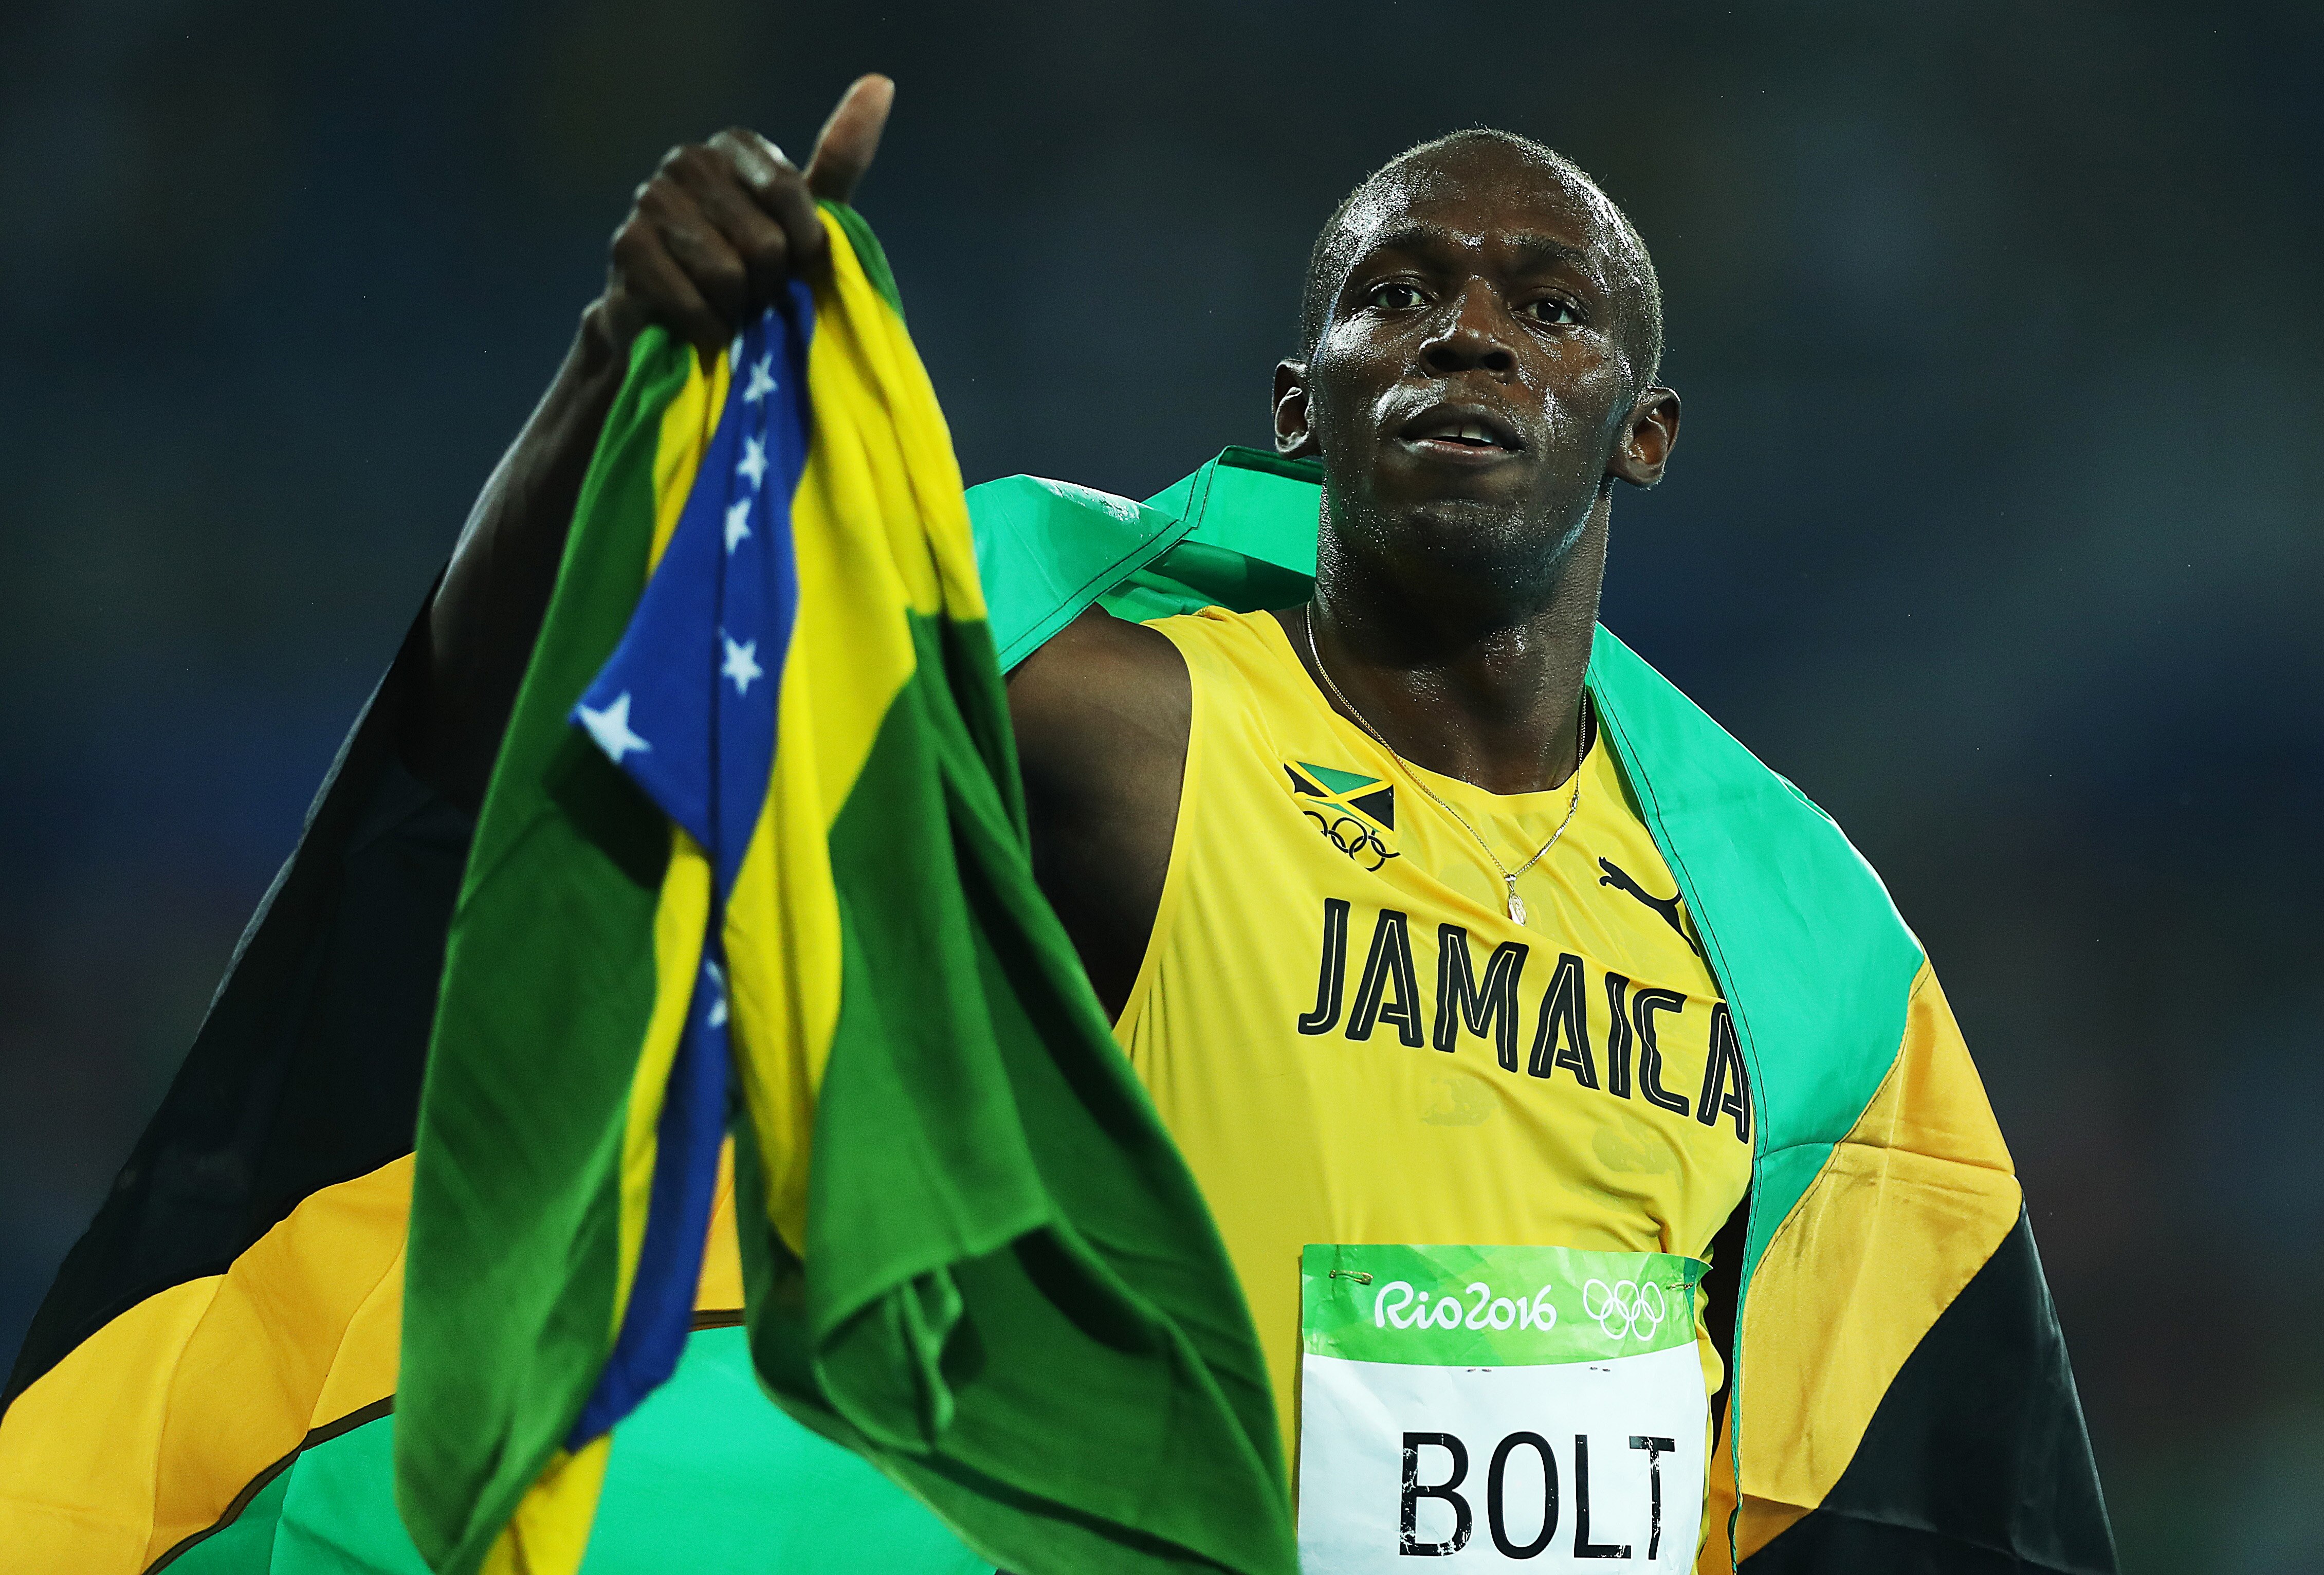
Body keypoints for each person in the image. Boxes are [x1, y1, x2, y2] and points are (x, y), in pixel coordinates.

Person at [5, 74, 2114, 1575]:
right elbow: (538, 739)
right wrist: (617, 362)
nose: (1468, 324)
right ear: (1302, 405)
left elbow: (1886, 1458)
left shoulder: (1781, 925)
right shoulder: (1118, 716)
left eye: (1548, 306)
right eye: (1401, 290)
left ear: (1638, 433)